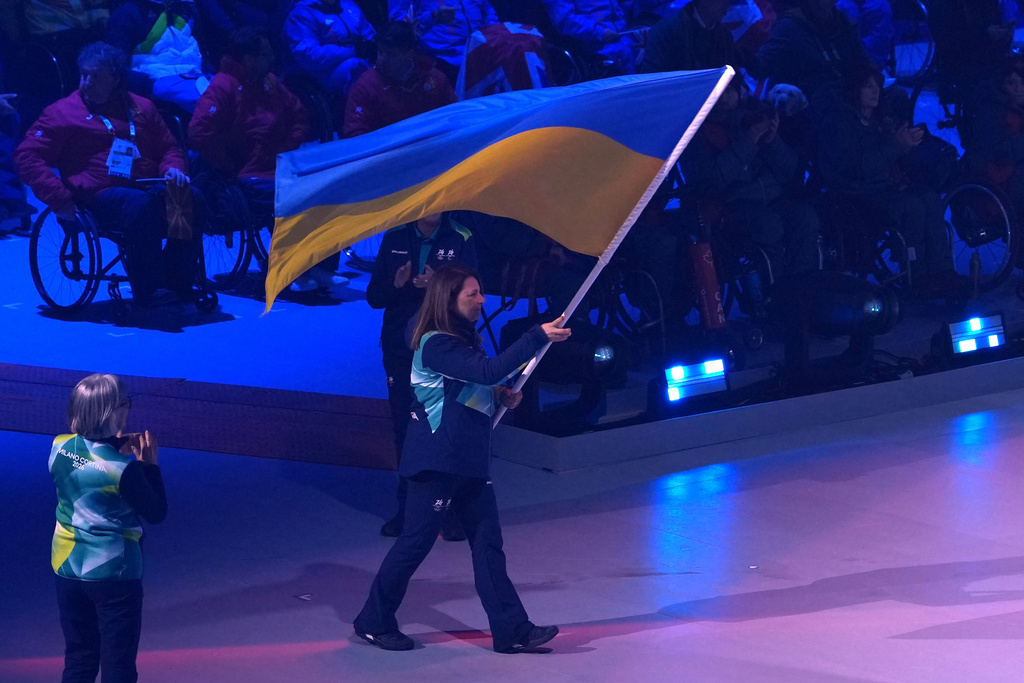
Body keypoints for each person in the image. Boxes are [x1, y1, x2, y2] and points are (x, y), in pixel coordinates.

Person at [353, 263, 571, 653]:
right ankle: (373, 620)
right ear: (448, 299)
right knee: (415, 544)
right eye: (472, 294)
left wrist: (500, 395)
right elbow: (485, 372)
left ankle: (511, 630)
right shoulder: (435, 342)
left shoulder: (461, 338)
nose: (482, 300)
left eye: (480, 291)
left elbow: (468, 388)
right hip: (436, 461)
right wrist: (535, 336)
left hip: (467, 459)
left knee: (488, 544)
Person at [15, 41, 197, 305]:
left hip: (144, 186)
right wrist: (58, 197)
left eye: (95, 76)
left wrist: (173, 170)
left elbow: (169, 147)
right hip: (95, 196)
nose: (86, 82)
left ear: (115, 78)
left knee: (191, 197)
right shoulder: (62, 113)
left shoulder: (142, 108)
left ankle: (178, 279)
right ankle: (148, 288)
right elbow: (26, 155)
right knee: (139, 204)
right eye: (83, 74)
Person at [187, 28, 329, 291]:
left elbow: (299, 115)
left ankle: (312, 264)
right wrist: (227, 164)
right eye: (265, 55)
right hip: (244, 171)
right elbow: (199, 133)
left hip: (275, 164)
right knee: (291, 195)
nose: (272, 59)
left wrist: (284, 149)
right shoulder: (222, 87)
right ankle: (288, 268)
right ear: (248, 59)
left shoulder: (270, 82)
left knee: (322, 187)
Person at [366, 213, 478, 538]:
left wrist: (439, 289)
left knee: (447, 429)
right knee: (405, 430)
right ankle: (409, 511)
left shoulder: (461, 237)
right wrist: (396, 284)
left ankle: (451, 511)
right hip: (402, 350)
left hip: (444, 348)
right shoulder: (396, 236)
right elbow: (375, 297)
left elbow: (473, 299)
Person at [50, 373, 167, 683]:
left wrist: (114, 443)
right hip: (114, 574)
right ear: (114, 412)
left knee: (79, 658)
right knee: (118, 668)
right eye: (125, 403)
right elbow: (156, 512)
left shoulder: (58, 447)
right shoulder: (124, 470)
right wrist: (150, 464)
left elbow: (88, 457)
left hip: (67, 568)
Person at [816, 62, 959, 295]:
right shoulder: (838, 123)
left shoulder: (882, 117)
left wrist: (909, 143)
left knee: (930, 199)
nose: (875, 92)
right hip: (857, 192)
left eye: (877, 86)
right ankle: (917, 273)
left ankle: (943, 271)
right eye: (867, 87)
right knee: (911, 207)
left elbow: (894, 154)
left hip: (888, 184)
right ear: (854, 90)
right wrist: (895, 146)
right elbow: (856, 167)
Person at [681, 75, 821, 277]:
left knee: (805, 217)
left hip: (772, 198)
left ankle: (804, 286)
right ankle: (774, 294)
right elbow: (710, 180)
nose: (724, 99)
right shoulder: (698, 133)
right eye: (718, 93)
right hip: (731, 205)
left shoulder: (752, 118)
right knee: (768, 226)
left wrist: (773, 142)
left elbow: (787, 172)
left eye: (729, 91)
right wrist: (748, 142)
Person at [343, 21, 456, 138]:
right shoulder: (366, 87)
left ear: (409, 54)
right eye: (380, 52)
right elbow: (354, 134)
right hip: (387, 153)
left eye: (391, 54)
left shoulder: (435, 79)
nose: (382, 59)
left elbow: (455, 117)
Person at [104, 0, 212, 112]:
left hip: (195, 77)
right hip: (158, 81)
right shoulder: (126, 14)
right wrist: (151, 86)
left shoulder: (185, 10)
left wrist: (211, 72)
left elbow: (196, 52)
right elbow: (115, 67)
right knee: (210, 104)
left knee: (226, 90)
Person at [752, 0, 867, 104]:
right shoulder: (789, 27)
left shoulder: (841, 20)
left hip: (848, 108)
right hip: (807, 113)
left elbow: (861, 61)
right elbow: (759, 67)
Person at [388, 0, 500, 84]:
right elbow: (399, 29)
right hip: (440, 63)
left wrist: (490, 34)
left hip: (481, 56)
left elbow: (488, 11)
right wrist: (433, 18)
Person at [283, 0, 377, 96]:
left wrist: (373, 44)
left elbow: (368, 33)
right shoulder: (300, 14)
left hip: (357, 56)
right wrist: (353, 50)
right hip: (321, 71)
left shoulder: (348, 5)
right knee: (356, 67)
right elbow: (309, 56)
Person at [540, 0, 638, 75]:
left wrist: (625, 34)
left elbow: (616, 12)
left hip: (622, 40)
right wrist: (600, 33)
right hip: (588, 46)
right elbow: (564, 20)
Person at [640, 0, 739, 73]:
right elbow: (651, 80)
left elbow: (735, 76)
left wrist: (736, 92)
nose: (727, 4)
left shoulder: (725, 36)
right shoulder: (665, 32)